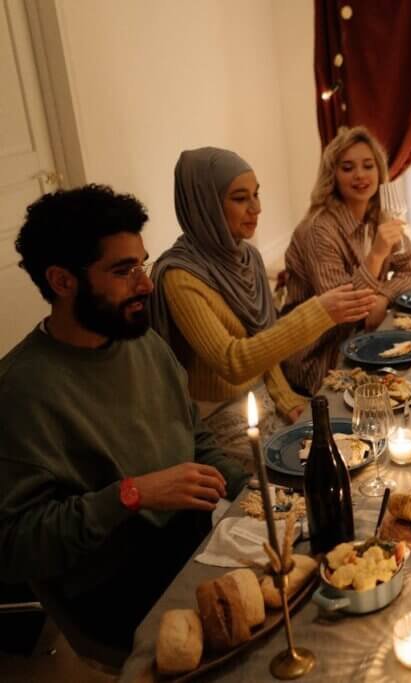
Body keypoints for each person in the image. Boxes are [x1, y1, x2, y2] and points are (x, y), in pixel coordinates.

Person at [0, 185, 250, 658]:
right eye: (123, 270)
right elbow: (16, 546)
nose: (145, 284)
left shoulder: (141, 341)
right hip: (116, 592)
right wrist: (132, 495)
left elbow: (196, 440)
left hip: (195, 551)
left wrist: (257, 493)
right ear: (62, 280)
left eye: (142, 263)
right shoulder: (20, 391)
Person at [149, 148, 376, 469]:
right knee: (312, 473)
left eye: (256, 195)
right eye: (241, 198)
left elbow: (264, 341)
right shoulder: (179, 276)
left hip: (265, 397)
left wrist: (286, 401)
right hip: (218, 417)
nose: (257, 208)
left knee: (352, 445)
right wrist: (318, 313)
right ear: (206, 204)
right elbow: (235, 362)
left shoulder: (246, 257)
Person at [282, 126, 411, 394]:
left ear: (379, 171)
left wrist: (383, 297)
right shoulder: (318, 229)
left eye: (367, 166)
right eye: (347, 168)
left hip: (363, 339)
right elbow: (342, 310)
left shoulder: (377, 215)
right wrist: (377, 255)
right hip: (319, 356)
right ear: (332, 175)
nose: (360, 175)